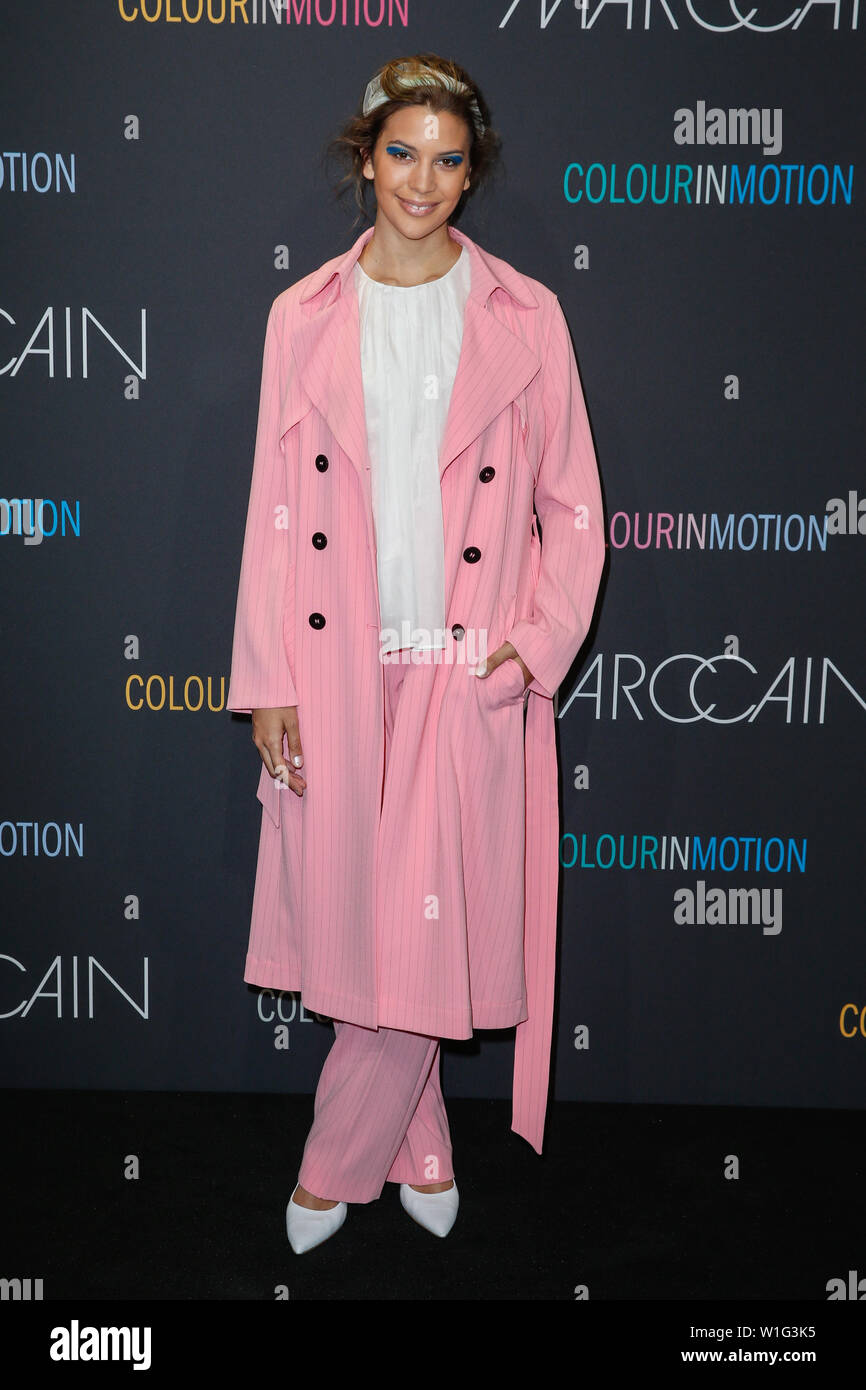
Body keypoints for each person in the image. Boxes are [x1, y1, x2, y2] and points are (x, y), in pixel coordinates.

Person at [226, 53, 605, 1254]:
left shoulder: (524, 314)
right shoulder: (302, 316)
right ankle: (423, 1140)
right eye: (402, 153)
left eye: (447, 159)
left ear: (471, 170)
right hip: (335, 663)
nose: (422, 181)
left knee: (420, 913)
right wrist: (267, 679)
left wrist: (525, 648)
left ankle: (333, 1165)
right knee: (364, 917)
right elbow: (271, 510)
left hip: (459, 665)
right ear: (365, 156)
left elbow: (574, 510)